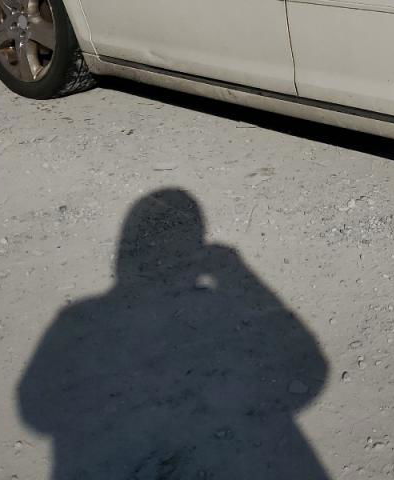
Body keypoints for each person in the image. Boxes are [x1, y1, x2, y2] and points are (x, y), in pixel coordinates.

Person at [17, 189, 330, 479]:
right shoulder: (217, 311)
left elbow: (35, 411)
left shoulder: (80, 318)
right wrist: (238, 273)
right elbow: (309, 370)